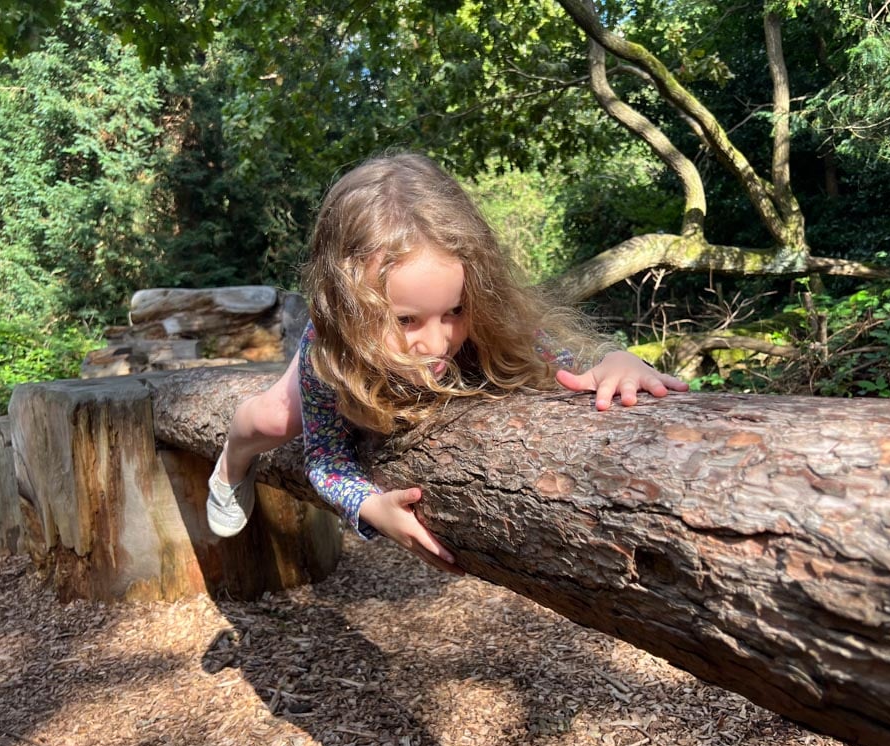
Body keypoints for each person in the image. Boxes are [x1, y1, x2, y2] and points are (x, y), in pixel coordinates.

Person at [206, 152, 688, 575]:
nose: (437, 342)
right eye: (406, 320)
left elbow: (565, 360)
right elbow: (326, 459)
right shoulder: (334, 349)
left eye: (454, 311)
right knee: (275, 419)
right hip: (344, 359)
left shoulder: (487, 316)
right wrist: (368, 505)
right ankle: (231, 460)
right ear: (352, 309)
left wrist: (615, 361)